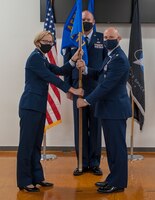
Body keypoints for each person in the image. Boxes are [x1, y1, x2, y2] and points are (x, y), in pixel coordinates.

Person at [17, 30, 83, 192]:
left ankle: (37, 177)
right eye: (46, 41)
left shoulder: (42, 58)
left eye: (51, 41)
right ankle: (24, 181)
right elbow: (50, 77)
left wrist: (73, 60)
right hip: (30, 107)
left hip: (38, 106)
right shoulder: (34, 58)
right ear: (38, 42)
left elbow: (59, 71)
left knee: (36, 144)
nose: (49, 44)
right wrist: (71, 90)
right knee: (27, 145)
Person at [77, 27, 132, 193]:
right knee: (111, 148)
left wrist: (86, 100)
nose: (108, 39)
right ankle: (112, 179)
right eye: (106, 37)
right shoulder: (111, 56)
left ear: (119, 38)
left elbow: (107, 86)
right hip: (109, 110)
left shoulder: (120, 59)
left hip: (115, 110)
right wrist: (85, 69)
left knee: (117, 148)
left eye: (111, 37)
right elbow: (101, 75)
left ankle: (118, 183)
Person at [63, 10, 107, 176]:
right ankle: (82, 162)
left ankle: (95, 163)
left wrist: (102, 86)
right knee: (80, 126)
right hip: (77, 89)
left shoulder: (101, 38)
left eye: (88, 19)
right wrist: (67, 87)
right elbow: (67, 64)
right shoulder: (73, 38)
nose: (86, 22)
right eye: (83, 20)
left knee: (95, 127)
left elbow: (105, 66)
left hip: (96, 88)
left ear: (94, 21)